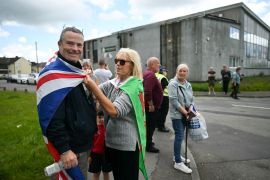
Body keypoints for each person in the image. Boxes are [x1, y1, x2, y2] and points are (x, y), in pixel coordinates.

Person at [37, 27, 97, 179]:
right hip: (71, 150)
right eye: (70, 44)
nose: (75, 49)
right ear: (59, 44)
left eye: (79, 45)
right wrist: (64, 150)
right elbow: (51, 118)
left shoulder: (76, 71)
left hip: (84, 145)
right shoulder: (52, 74)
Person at [84, 48, 148, 180]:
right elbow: (95, 91)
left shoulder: (134, 86)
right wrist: (86, 79)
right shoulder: (115, 82)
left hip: (126, 147)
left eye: (122, 61)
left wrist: (93, 87)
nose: (118, 64)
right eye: (116, 60)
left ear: (133, 65)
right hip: (111, 143)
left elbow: (114, 111)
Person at [168, 63, 193, 174]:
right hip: (177, 115)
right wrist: (185, 112)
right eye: (180, 70)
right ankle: (178, 162)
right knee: (179, 136)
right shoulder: (173, 84)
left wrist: (191, 108)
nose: (182, 73)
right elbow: (173, 100)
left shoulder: (188, 84)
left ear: (187, 73)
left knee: (181, 136)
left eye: (184, 71)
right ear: (177, 71)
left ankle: (176, 156)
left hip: (186, 114)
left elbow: (192, 99)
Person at [143, 57, 163, 153]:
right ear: (152, 64)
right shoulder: (150, 75)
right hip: (151, 108)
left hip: (150, 106)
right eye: (158, 63)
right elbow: (147, 91)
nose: (159, 65)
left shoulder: (148, 74)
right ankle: (148, 144)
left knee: (149, 126)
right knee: (150, 126)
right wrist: (150, 104)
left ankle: (148, 142)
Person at [88, 110, 112, 180]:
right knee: (96, 173)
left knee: (106, 172)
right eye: (99, 117)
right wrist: (89, 156)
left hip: (105, 154)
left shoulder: (106, 128)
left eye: (103, 117)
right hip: (95, 154)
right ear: (96, 118)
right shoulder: (93, 129)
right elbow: (90, 143)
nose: (101, 119)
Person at [155, 66, 169, 132]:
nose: (166, 73)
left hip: (156, 96)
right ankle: (161, 126)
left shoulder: (155, 75)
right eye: (165, 71)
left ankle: (157, 124)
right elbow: (162, 88)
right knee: (163, 112)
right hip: (164, 97)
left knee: (158, 111)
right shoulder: (163, 78)